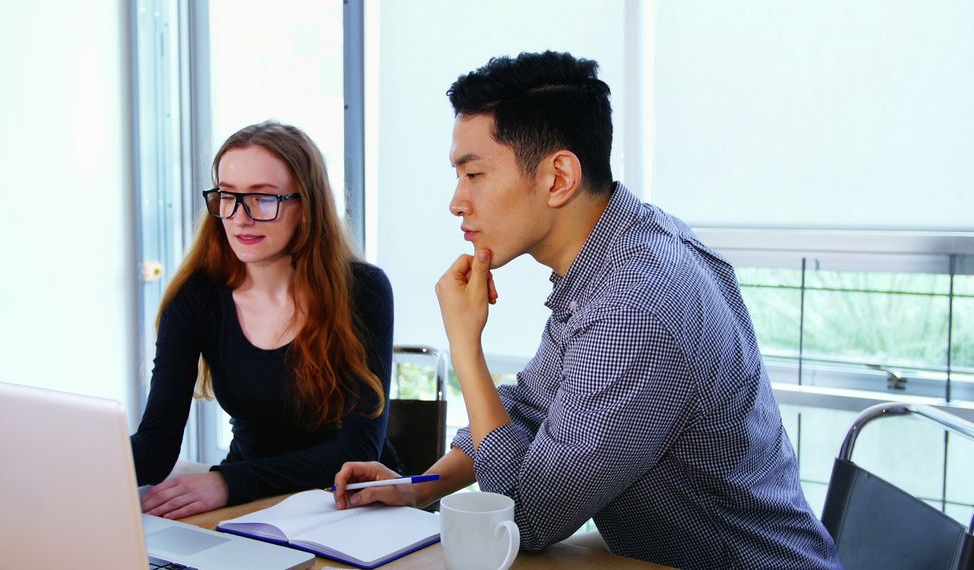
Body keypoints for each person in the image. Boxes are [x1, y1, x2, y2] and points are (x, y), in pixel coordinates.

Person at [334, 51, 841, 569]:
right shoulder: (619, 248)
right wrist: (417, 487)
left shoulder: (634, 306)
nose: (456, 202)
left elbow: (525, 517)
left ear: (559, 178)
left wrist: (465, 345)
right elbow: (530, 407)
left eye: (474, 173)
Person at [133, 120, 394, 520]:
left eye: (263, 198)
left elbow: (356, 451)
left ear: (306, 207)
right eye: (228, 196)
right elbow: (156, 446)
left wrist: (228, 482)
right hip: (249, 504)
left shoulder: (363, 290)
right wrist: (68, 465)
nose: (240, 217)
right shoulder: (195, 296)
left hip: (348, 503)